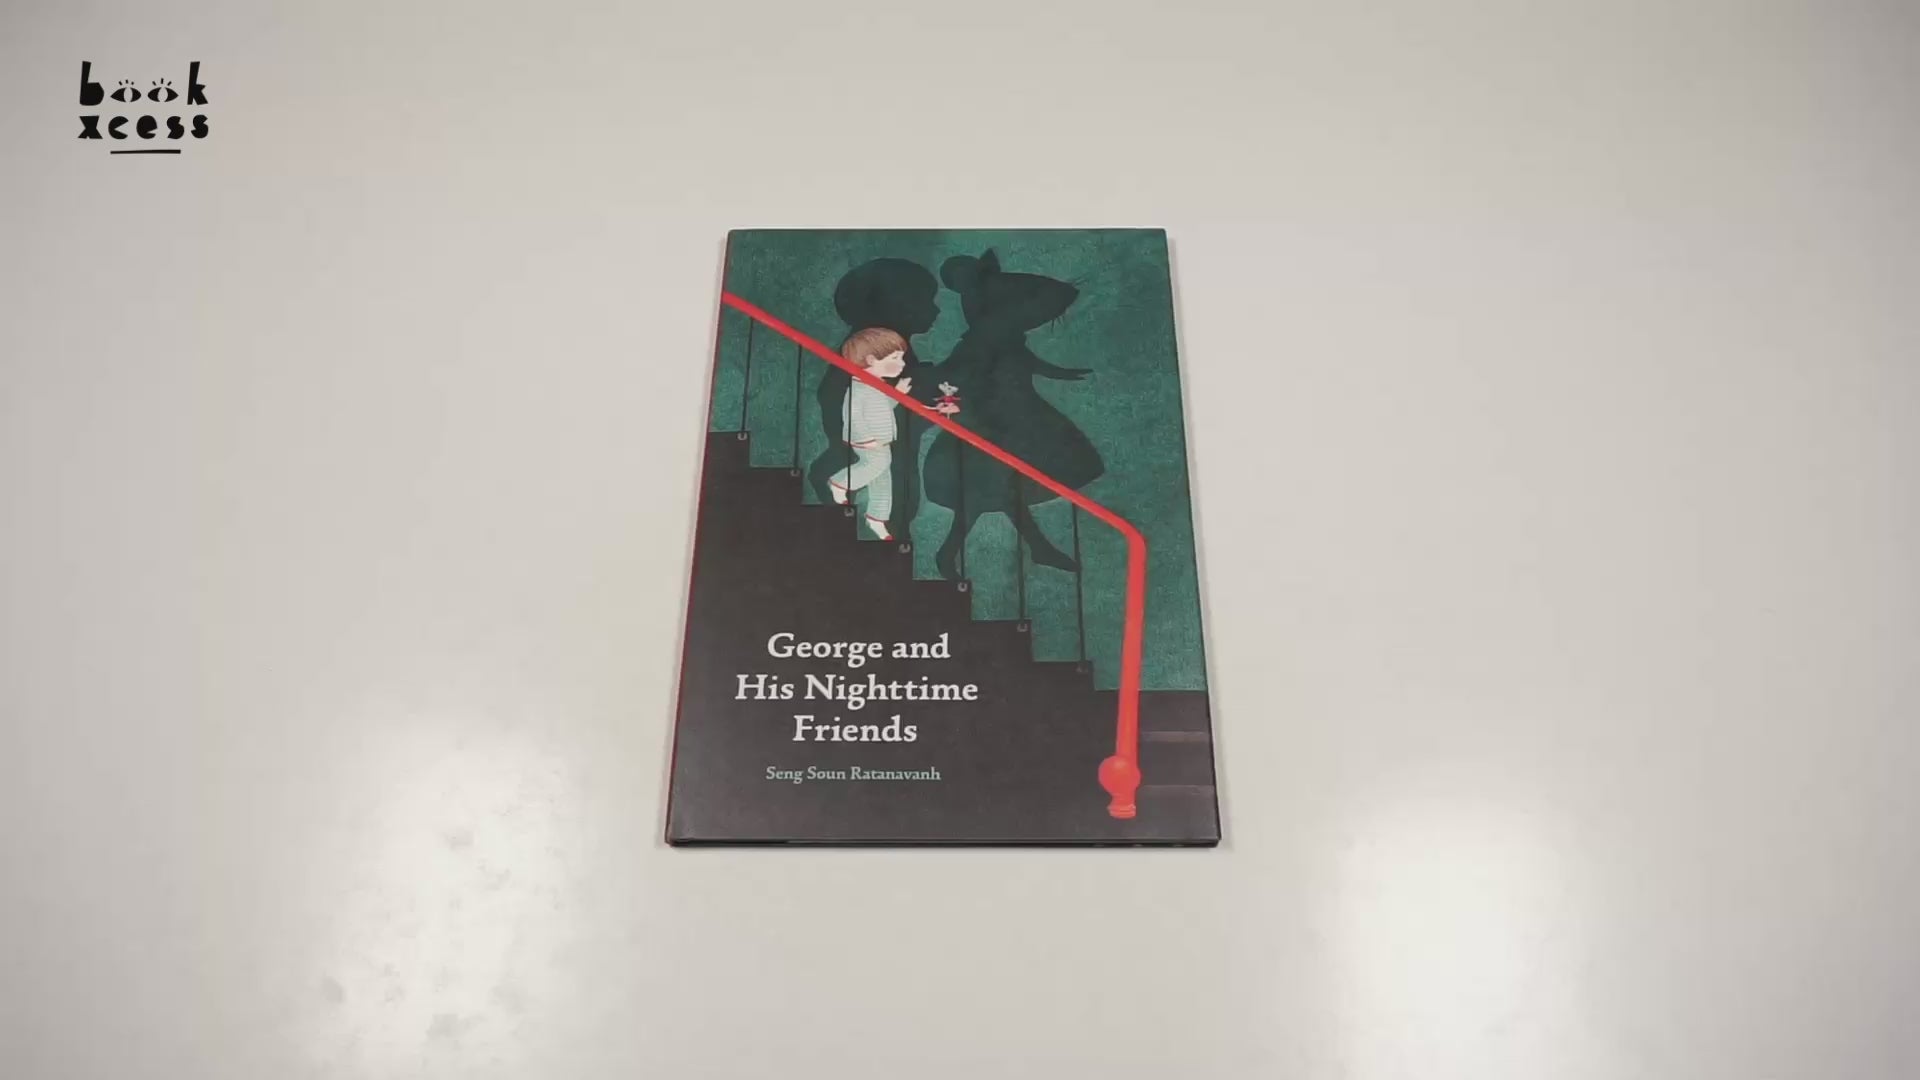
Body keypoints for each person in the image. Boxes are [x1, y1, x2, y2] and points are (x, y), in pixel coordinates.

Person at [829, 327, 960, 540]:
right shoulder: (860, 389)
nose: (902, 363)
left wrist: (898, 394)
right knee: (876, 465)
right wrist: (866, 439)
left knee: (882, 481)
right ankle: (840, 483)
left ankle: (877, 519)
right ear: (871, 360)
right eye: (895, 358)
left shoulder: (876, 386)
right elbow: (853, 416)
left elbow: (884, 408)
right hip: (868, 440)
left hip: (881, 439)